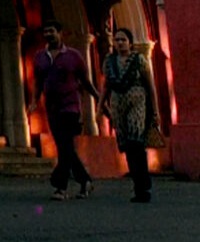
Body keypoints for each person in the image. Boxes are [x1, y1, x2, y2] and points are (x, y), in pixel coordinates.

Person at [31, 21, 95, 200]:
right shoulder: (40, 57)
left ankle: (61, 186)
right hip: (52, 108)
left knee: (65, 144)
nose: (48, 35)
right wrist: (33, 101)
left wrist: (98, 97)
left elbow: (85, 80)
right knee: (64, 146)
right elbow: (38, 82)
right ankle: (85, 180)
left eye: (51, 31)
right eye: (45, 32)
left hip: (71, 107)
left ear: (60, 33)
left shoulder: (73, 56)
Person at [102, 25, 156, 202]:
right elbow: (106, 85)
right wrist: (100, 106)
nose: (119, 43)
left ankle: (143, 186)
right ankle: (137, 185)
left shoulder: (139, 60)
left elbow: (149, 85)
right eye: (117, 40)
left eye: (123, 40)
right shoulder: (109, 62)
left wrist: (154, 110)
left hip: (137, 103)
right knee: (127, 146)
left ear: (130, 43)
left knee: (136, 143)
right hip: (118, 105)